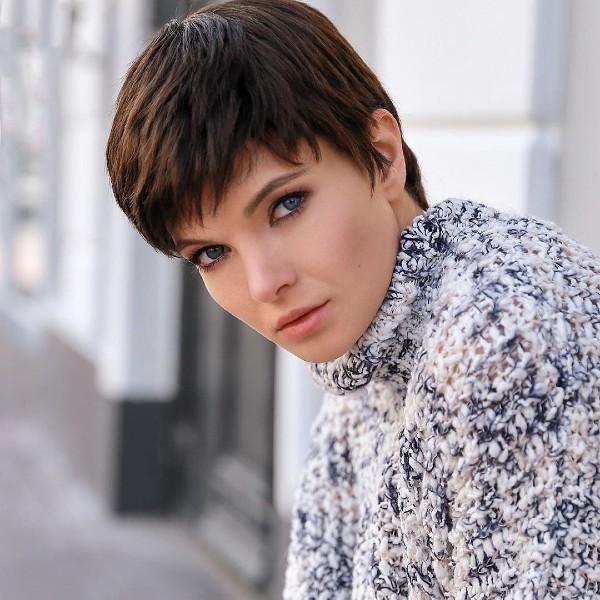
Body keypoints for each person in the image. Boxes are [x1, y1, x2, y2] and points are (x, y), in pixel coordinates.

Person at [105, 0, 600, 597]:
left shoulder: (504, 342)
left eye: (286, 205)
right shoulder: (375, 343)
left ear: (382, 156)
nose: (263, 284)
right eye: (212, 253)